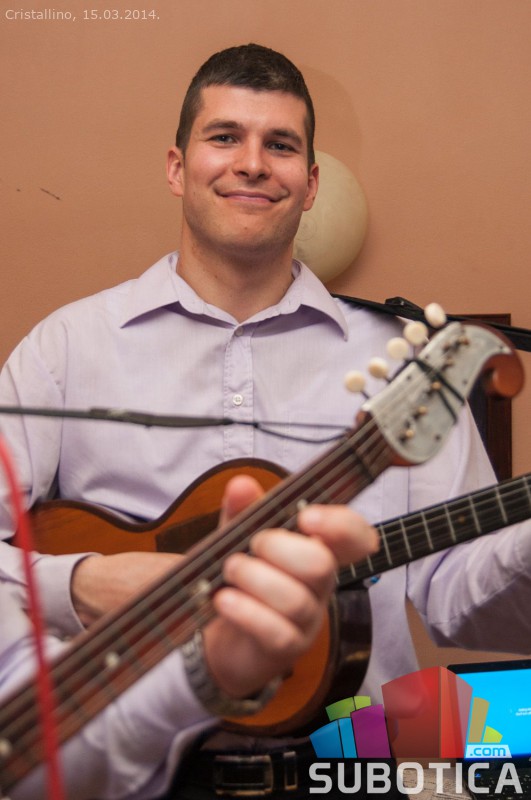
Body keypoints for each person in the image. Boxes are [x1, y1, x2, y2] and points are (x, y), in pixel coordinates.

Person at [0, 42, 529, 799]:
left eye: (280, 145)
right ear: (177, 167)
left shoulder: (405, 362)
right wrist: (82, 582)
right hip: (127, 778)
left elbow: (463, 603)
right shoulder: (66, 348)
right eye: (225, 137)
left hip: (356, 771)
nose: (252, 164)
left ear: (309, 184)